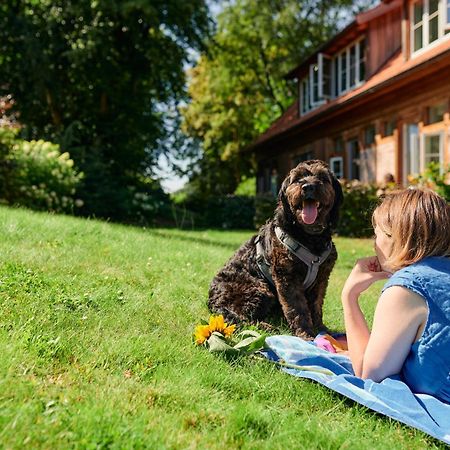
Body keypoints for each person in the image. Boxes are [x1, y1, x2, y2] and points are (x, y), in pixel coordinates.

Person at [341, 188, 450, 402]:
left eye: (377, 234)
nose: (374, 243)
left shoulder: (407, 287)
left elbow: (369, 375)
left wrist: (350, 297)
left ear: (397, 237)